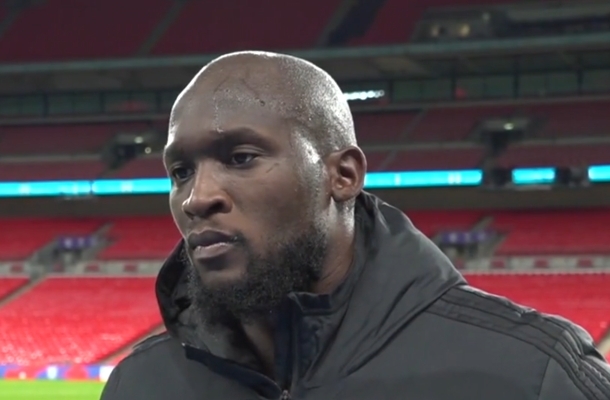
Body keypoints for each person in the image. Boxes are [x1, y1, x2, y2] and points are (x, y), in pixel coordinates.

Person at [101, 51, 610, 400]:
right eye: (180, 172)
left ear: (342, 175)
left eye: (241, 157)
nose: (197, 197)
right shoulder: (140, 385)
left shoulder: (532, 375)